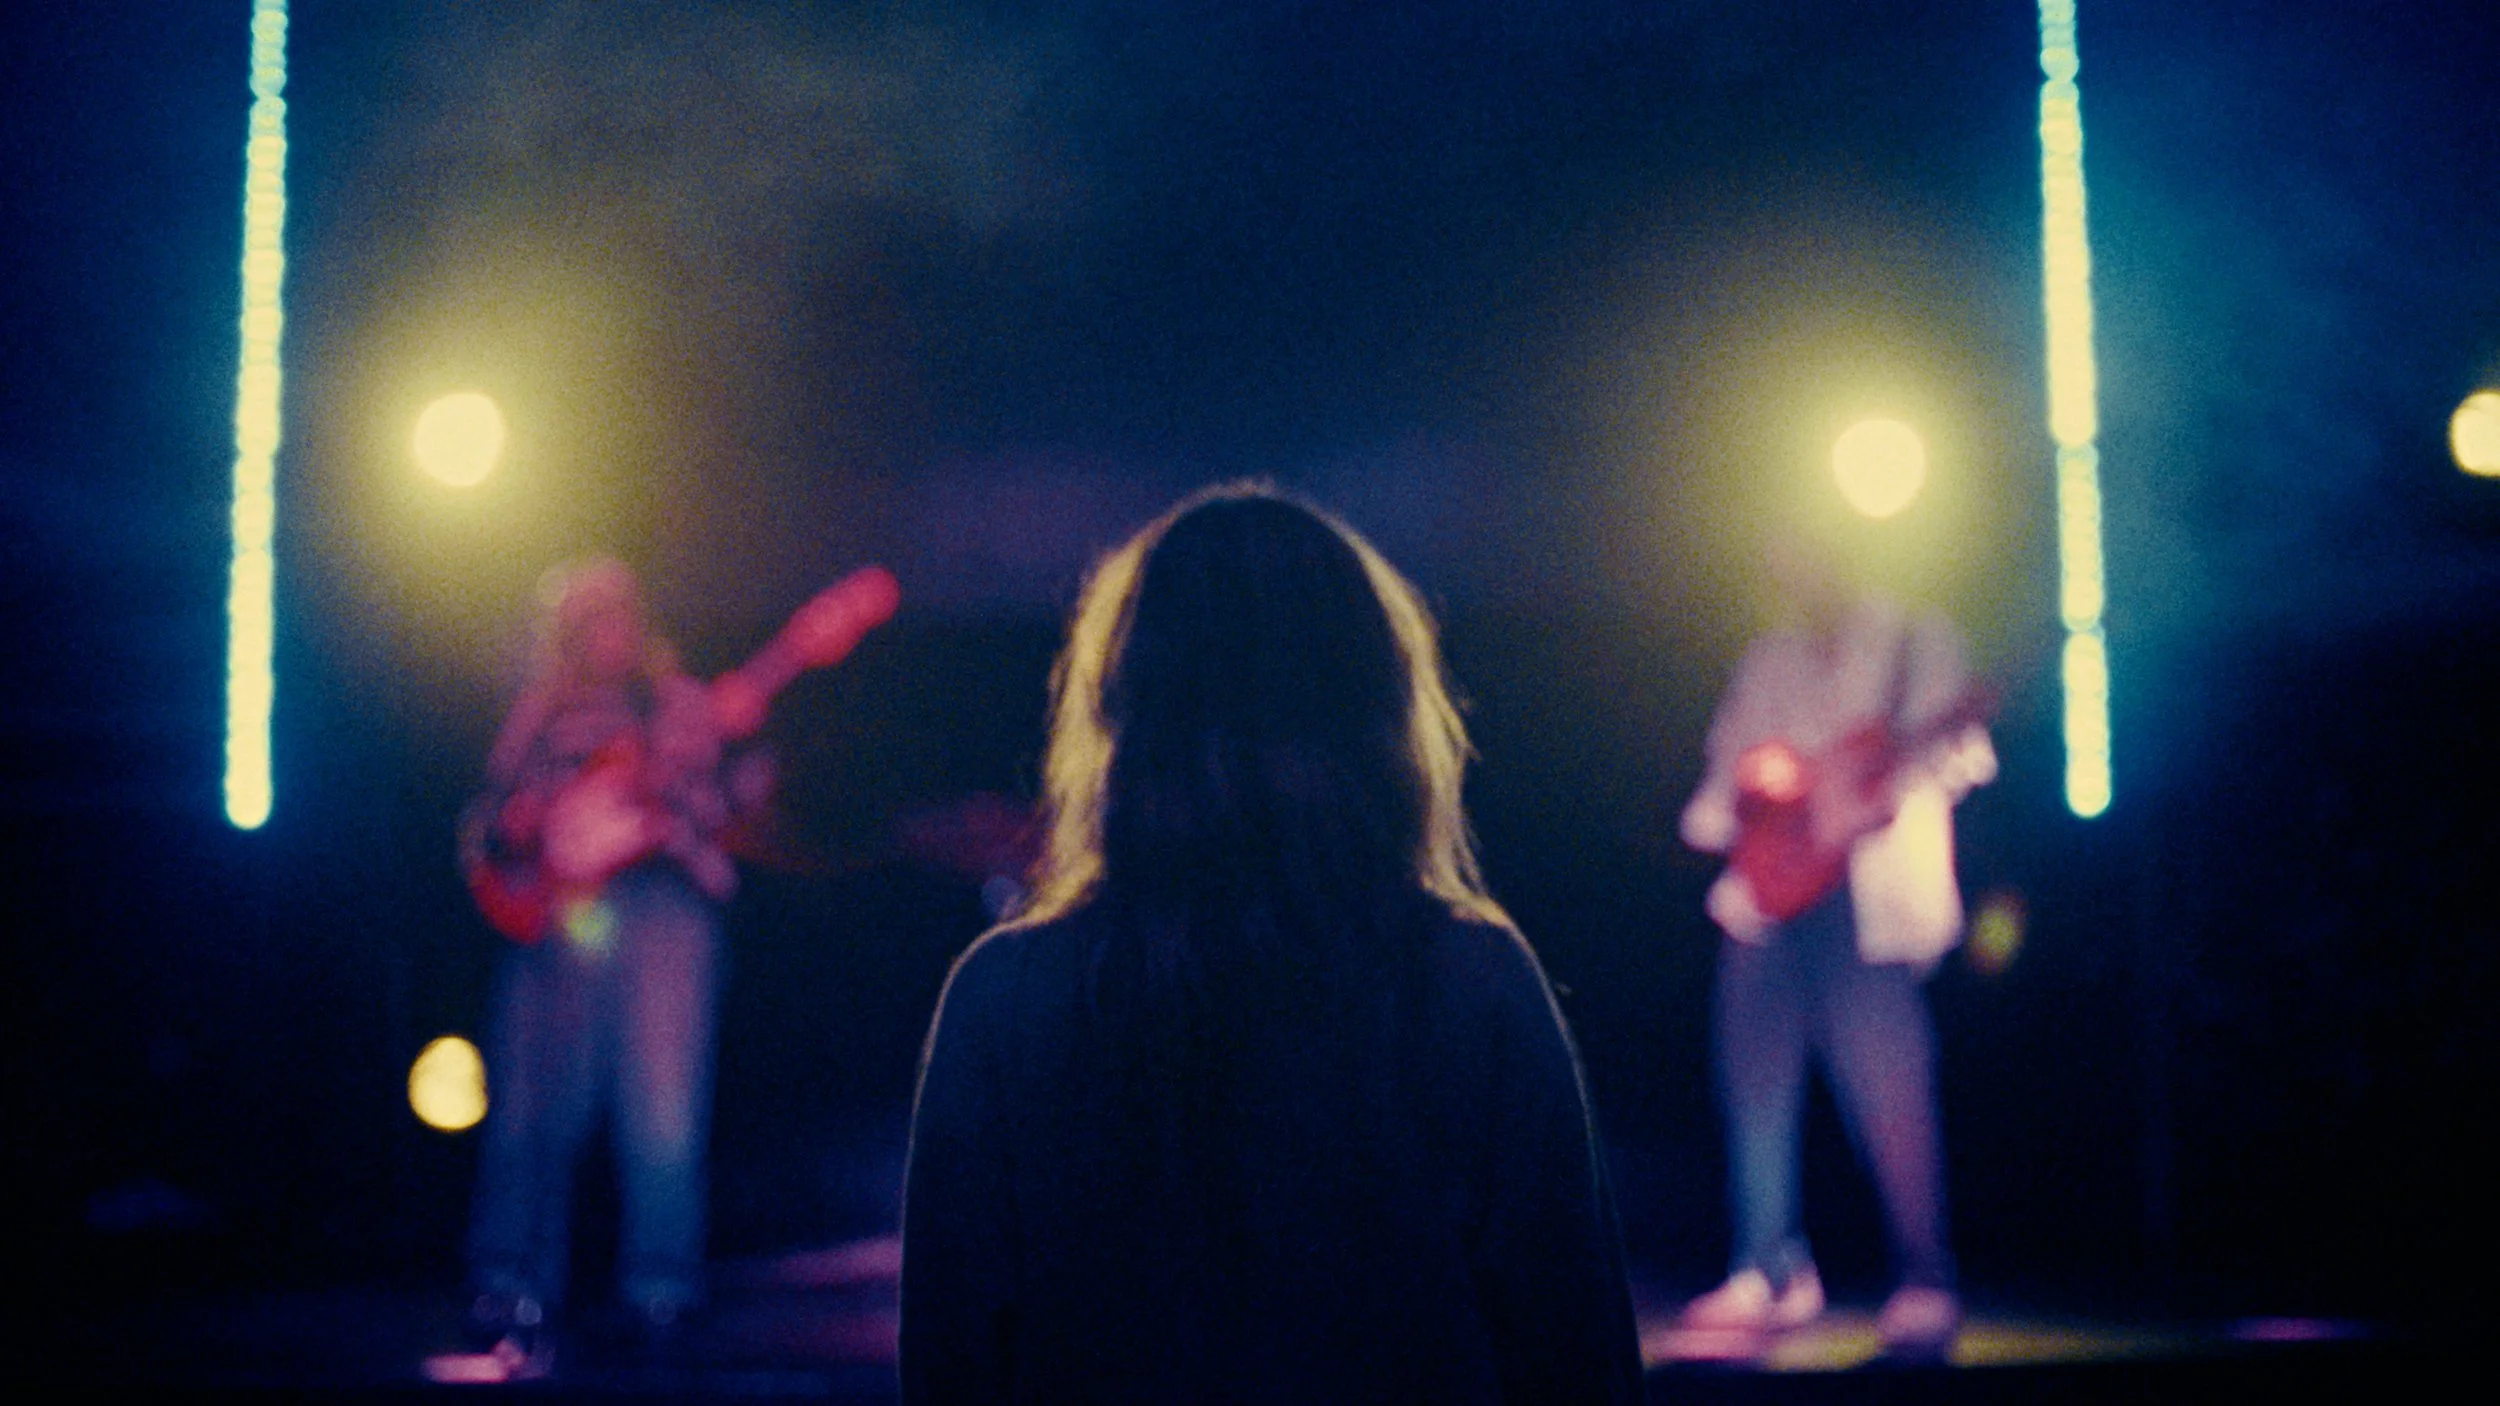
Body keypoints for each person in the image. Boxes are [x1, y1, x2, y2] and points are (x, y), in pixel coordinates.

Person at [900, 485, 1645, 1404]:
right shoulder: (1471, 978)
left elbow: (951, 1365)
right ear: (1376, 703)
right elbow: (1578, 1355)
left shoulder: (1008, 995)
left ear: (1125, 703)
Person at [457, 557, 896, 1375]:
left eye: (617, 613)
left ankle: (660, 1292)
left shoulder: (683, 703)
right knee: (533, 1107)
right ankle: (511, 1287)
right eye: (589, 618)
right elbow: (486, 822)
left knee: (662, 1113)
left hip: (666, 904)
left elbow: (739, 801)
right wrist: (519, 828)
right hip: (560, 917)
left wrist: (723, 762)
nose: (608, 630)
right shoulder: (539, 714)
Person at [1675, 537, 1995, 1357]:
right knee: (1754, 1078)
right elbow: (1729, 774)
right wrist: (1762, 798)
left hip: (1868, 897)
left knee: (1888, 1086)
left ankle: (1925, 1277)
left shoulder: (1916, 639)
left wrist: (1875, 787)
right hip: (1768, 896)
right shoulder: (1768, 659)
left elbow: (1960, 753)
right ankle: (1769, 1271)